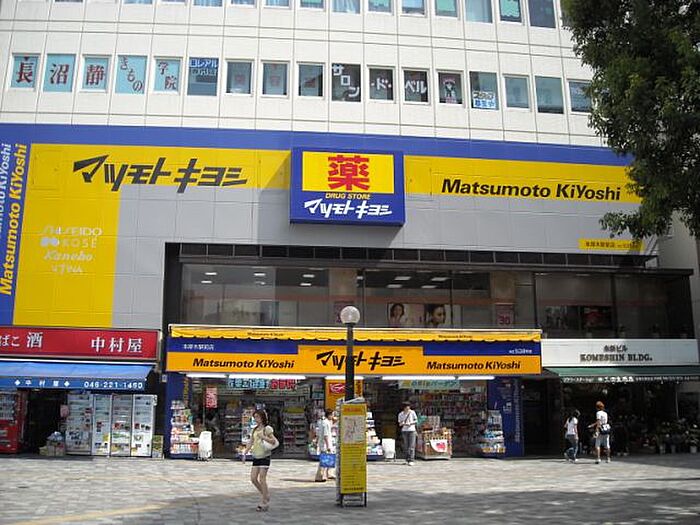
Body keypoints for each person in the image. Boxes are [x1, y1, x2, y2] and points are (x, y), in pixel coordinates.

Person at [242, 409, 278, 511]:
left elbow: (273, 441)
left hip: (265, 455)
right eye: (255, 417)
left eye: (258, 417)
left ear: (262, 417)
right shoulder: (254, 429)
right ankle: (265, 494)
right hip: (256, 455)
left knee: (262, 478)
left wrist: (263, 437)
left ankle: (264, 502)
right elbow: (251, 441)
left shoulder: (267, 429)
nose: (256, 419)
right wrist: (245, 453)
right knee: (253, 478)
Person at [315, 409, 335, 482]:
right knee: (324, 460)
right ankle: (319, 476)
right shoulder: (326, 423)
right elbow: (325, 435)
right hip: (325, 445)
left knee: (329, 459)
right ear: (329, 415)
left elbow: (318, 433)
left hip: (322, 444)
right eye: (332, 415)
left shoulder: (321, 422)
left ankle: (328, 474)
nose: (333, 416)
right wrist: (328, 446)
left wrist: (316, 441)